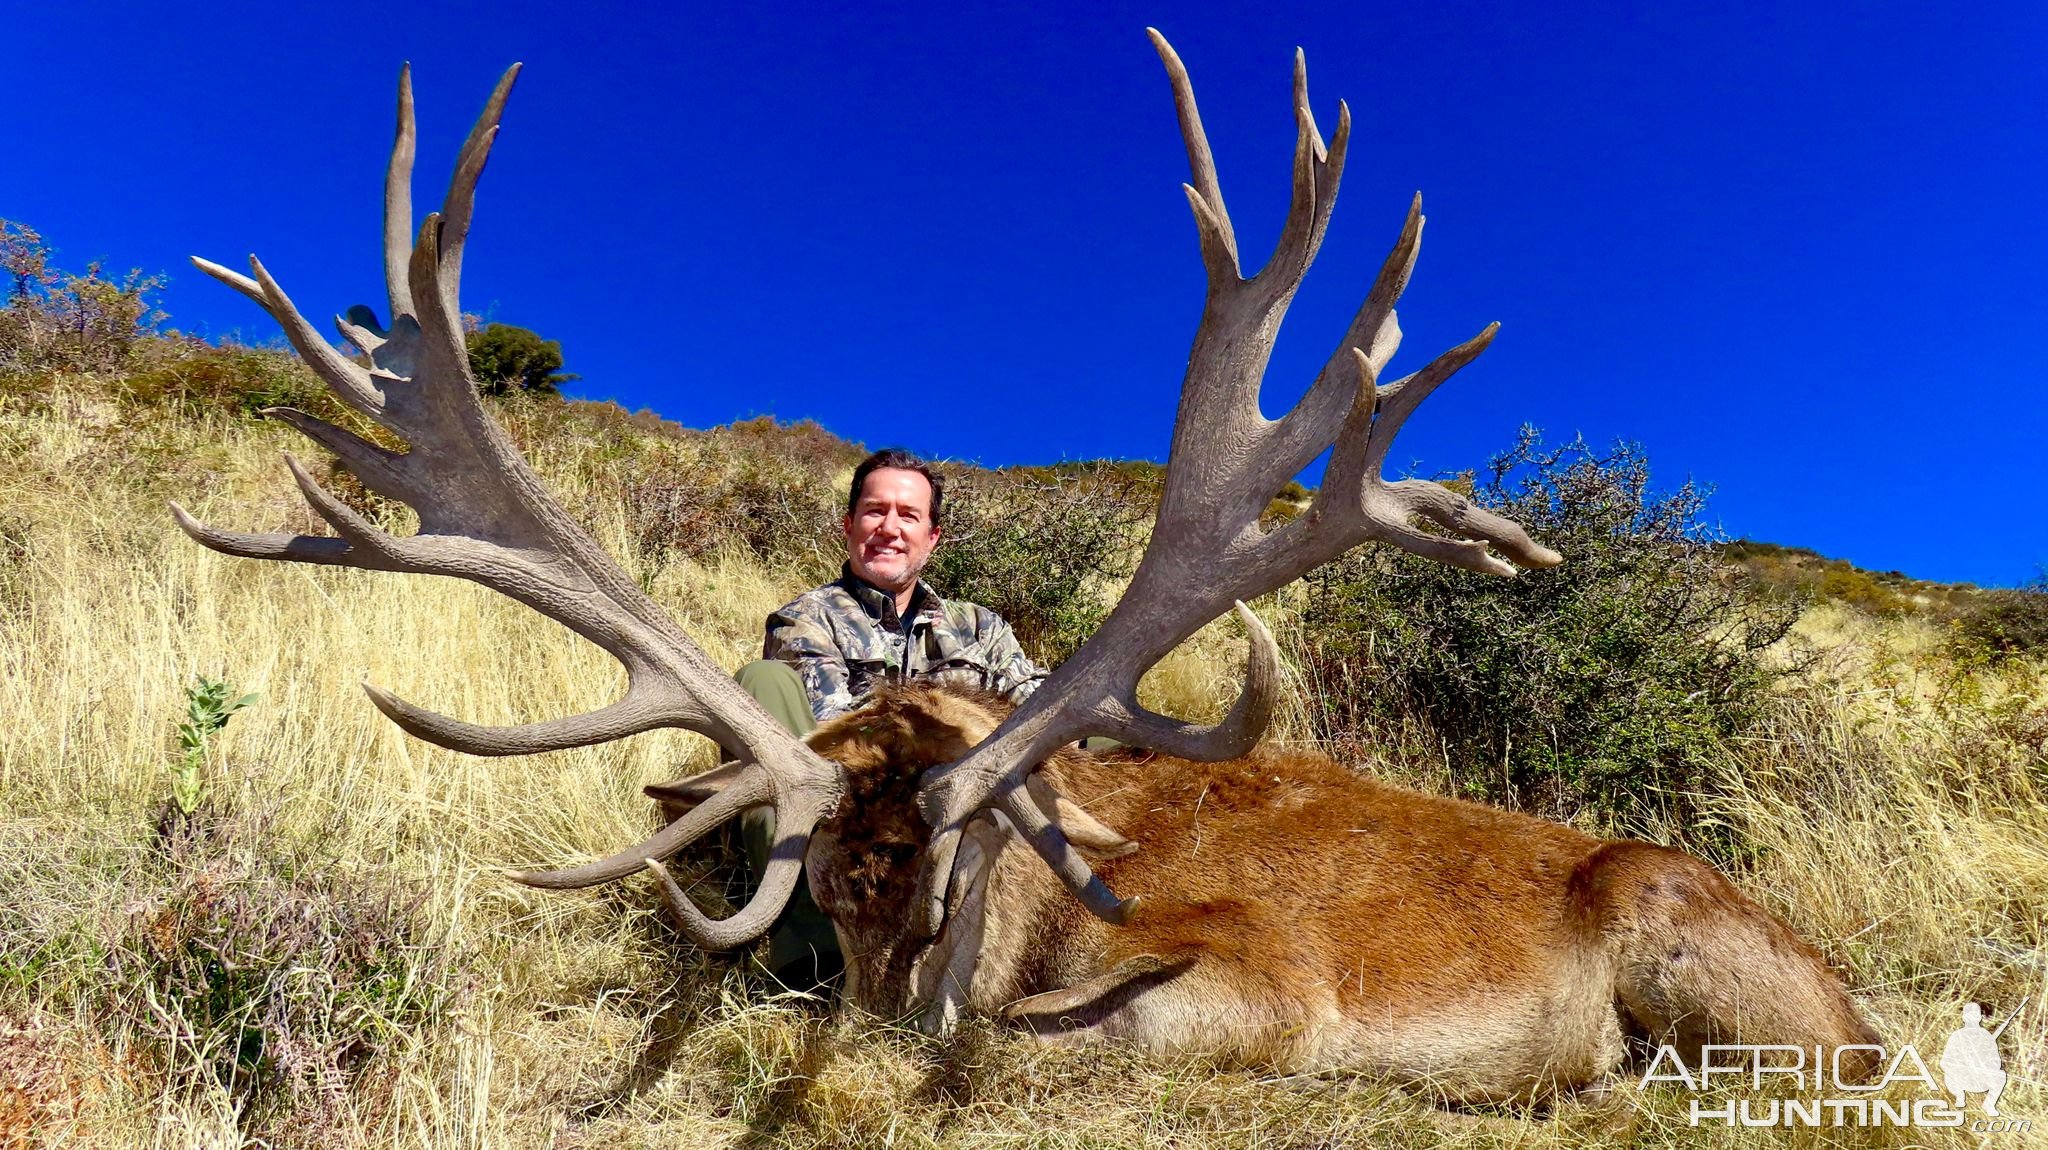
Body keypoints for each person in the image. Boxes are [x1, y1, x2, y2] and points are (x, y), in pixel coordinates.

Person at [731, 447, 1047, 990]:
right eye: (876, 511)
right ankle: (815, 945)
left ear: (933, 537)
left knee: (1084, 731)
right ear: (849, 525)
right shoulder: (804, 620)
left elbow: (1033, 706)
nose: (890, 528)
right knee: (763, 684)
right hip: (853, 813)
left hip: (952, 813)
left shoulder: (981, 627)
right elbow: (848, 735)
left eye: (909, 515)